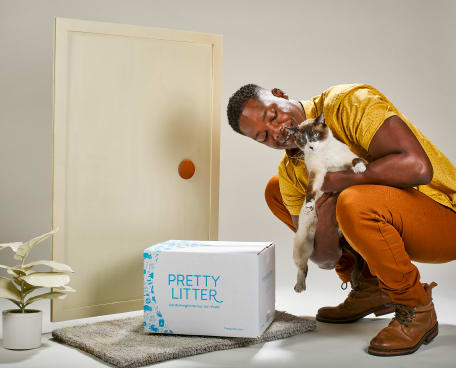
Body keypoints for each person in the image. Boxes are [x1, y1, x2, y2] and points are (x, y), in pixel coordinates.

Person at [226, 83, 456, 356]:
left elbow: (417, 167)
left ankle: (416, 307)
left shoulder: (346, 103)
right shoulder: (291, 171)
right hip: (385, 220)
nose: (277, 132)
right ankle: (371, 286)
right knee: (276, 191)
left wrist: (342, 181)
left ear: (279, 94)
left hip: (443, 216)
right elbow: (323, 258)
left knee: (353, 200)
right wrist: (324, 201)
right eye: (264, 136)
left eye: (273, 116)